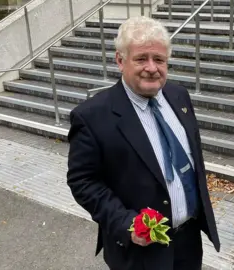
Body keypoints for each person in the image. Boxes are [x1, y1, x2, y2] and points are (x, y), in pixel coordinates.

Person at [66, 16, 220, 270]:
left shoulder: (179, 95)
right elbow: (82, 181)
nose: (152, 68)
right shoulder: (92, 116)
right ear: (120, 60)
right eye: (141, 59)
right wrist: (127, 223)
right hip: (138, 252)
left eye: (159, 59)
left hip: (189, 241)